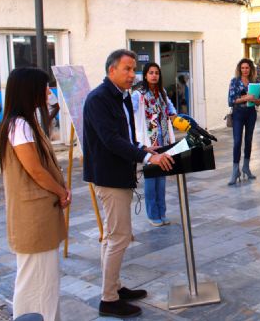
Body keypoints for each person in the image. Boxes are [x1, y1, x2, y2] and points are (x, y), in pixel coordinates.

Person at [83, 49, 174, 318]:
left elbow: (124, 136)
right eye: (127, 68)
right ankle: (109, 300)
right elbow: (110, 140)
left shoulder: (119, 97)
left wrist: (143, 146)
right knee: (119, 238)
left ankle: (114, 286)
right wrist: (147, 156)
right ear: (111, 70)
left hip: (119, 174)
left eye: (134, 68)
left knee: (113, 237)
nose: (132, 74)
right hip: (109, 177)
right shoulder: (99, 99)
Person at [0, 67, 71, 321]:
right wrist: (61, 191)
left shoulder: (24, 122)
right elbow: (36, 171)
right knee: (36, 280)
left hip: (37, 215)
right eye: (44, 87)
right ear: (30, 90)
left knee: (43, 280)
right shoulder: (19, 125)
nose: (48, 91)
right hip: (33, 218)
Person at [132, 62, 177, 227]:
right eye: (150, 72)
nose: (154, 75)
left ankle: (162, 212)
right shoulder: (138, 95)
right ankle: (152, 214)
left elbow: (172, 111)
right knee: (151, 180)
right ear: (145, 75)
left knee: (162, 180)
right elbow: (130, 115)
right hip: (149, 144)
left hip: (163, 141)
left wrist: (176, 118)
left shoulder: (162, 93)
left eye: (156, 72)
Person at [228, 58, 260, 185]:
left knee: (249, 140)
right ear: (239, 69)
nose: (245, 70)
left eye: (247, 68)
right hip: (238, 113)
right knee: (237, 141)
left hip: (251, 113)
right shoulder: (235, 81)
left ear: (251, 69)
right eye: (242, 68)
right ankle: (235, 171)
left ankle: (246, 167)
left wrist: (254, 100)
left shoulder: (255, 82)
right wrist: (246, 98)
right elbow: (231, 100)